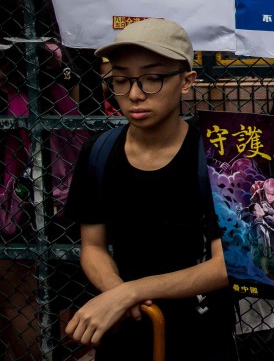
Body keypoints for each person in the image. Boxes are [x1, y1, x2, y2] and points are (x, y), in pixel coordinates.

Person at [64, 18, 235, 360]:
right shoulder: (98, 152)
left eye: (153, 78)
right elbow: (93, 247)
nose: (135, 94)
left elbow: (224, 265)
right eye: (121, 80)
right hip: (122, 331)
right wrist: (117, 294)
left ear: (187, 81)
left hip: (199, 336)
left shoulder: (218, 158)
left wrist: (127, 293)